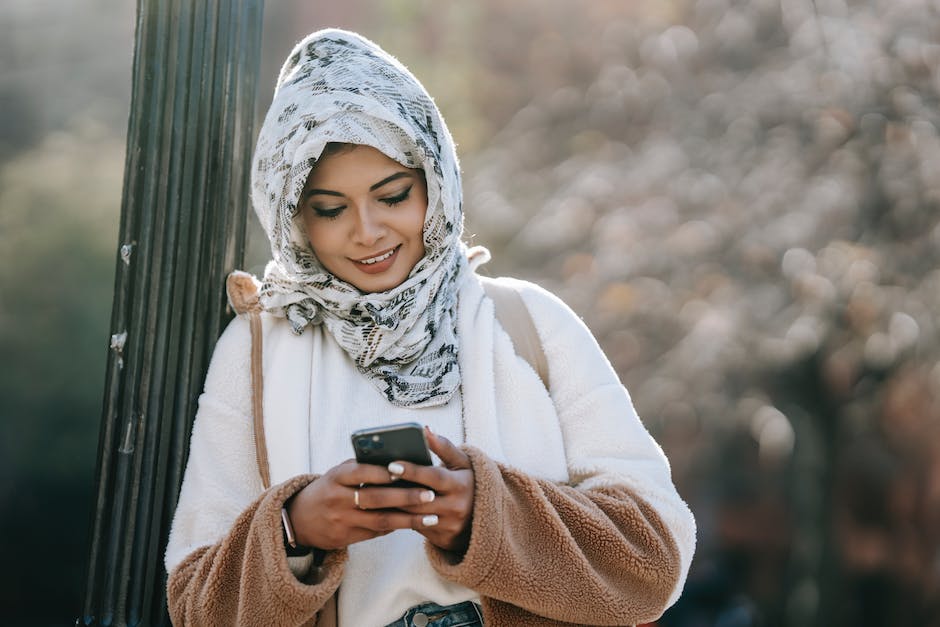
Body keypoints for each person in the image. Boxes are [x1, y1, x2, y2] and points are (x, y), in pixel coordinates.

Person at [164, 28, 696, 627]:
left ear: (434, 184)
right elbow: (194, 605)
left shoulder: (529, 323)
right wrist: (297, 529)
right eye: (330, 209)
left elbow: (656, 561)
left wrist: (486, 516)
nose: (366, 231)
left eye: (392, 196)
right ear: (292, 217)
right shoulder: (257, 350)